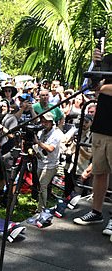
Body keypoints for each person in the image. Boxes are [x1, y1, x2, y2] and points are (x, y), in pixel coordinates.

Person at [74, 50, 112, 240]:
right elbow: (91, 85)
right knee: (99, 171)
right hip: (101, 126)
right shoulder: (107, 59)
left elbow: (102, 89)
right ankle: (96, 212)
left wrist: (102, 87)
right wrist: (95, 65)